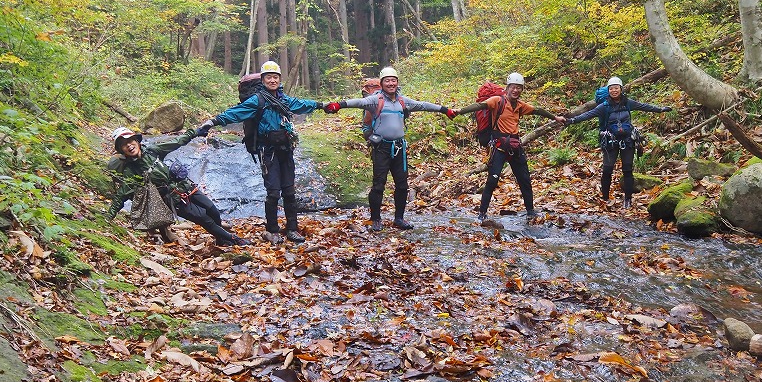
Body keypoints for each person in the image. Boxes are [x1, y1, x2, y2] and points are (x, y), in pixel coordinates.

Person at [196, 61, 324, 244]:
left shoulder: (284, 99)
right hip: (268, 151)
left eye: (275, 77)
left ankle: (292, 229)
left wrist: (323, 105)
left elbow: (303, 104)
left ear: (280, 79)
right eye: (269, 77)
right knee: (273, 193)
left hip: (285, 150)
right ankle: (272, 230)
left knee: (289, 191)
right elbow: (236, 113)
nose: (272, 80)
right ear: (263, 80)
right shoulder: (258, 100)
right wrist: (213, 122)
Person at [324, 66, 455, 232]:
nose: (391, 83)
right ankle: (375, 219)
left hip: (399, 148)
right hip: (381, 148)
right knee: (379, 185)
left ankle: (399, 218)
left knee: (402, 185)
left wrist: (445, 110)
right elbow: (358, 103)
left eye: (393, 80)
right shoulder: (375, 100)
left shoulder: (403, 101)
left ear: (397, 82)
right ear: (382, 83)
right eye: (387, 81)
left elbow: (423, 105)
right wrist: (339, 105)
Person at [106, 127, 249, 247]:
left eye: (130, 141)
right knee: (203, 218)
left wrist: (195, 132)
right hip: (173, 200)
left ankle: (220, 238)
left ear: (137, 141)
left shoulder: (152, 151)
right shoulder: (131, 171)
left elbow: (176, 141)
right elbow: (121, 195)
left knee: (212, 210)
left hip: (185, 187)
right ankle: (233, 239)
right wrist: (108, 216)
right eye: (124, 145)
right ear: (121, 150)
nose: (129, 145)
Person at [456, 72, 565, 226]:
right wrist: (460, 111)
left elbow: (538, 110)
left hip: (515, 146)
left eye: (519, 88)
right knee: (492, 181)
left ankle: (530, 211)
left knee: (525, 179)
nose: (516, 90)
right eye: (514, 87)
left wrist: (555, 118)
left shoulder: (520, 106)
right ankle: (482, 213)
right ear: (507, 87)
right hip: (499, 147)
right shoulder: (497, 101)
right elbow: (480, 105)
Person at [564, 76, 670, 208]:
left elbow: (644, 106)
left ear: (621, 89)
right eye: (611, 88)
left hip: (628, 140)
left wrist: (660, 109)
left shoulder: (628, 103)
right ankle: (605, 197)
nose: (614, 91)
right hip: (610, 141)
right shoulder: (604, 107)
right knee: (607, 170)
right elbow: (588, 114)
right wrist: (572, 120)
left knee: (627, 169)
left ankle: (628, 199)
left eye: (616, 88)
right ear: (608, 90)